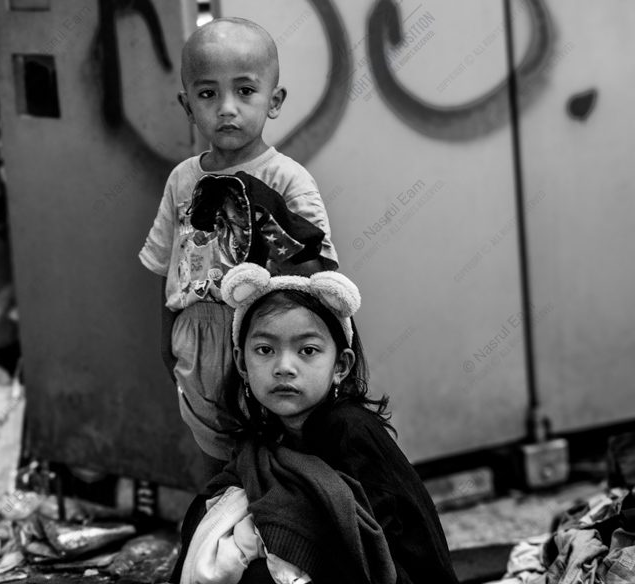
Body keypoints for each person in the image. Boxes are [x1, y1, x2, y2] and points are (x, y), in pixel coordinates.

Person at [171, 263, 459, 583]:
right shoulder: (266, 434)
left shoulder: (348, 429)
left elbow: (371, 540)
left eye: (307, 350)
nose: (284, 367)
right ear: (241, 362)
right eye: (265, 350)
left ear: (340, 365)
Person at [138, 17, 338, 468]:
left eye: (245, 91)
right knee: (214, 454)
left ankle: (271, 534)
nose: (227, 108)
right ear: (187, 105)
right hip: (196, 340)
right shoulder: (183, 179)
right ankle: (218, 534)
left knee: (274, 457)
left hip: (263, 339)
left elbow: (321, 275)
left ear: (274, 100)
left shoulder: (286, 179)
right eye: (208, 94)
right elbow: (165, 262)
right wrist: (166, 338)